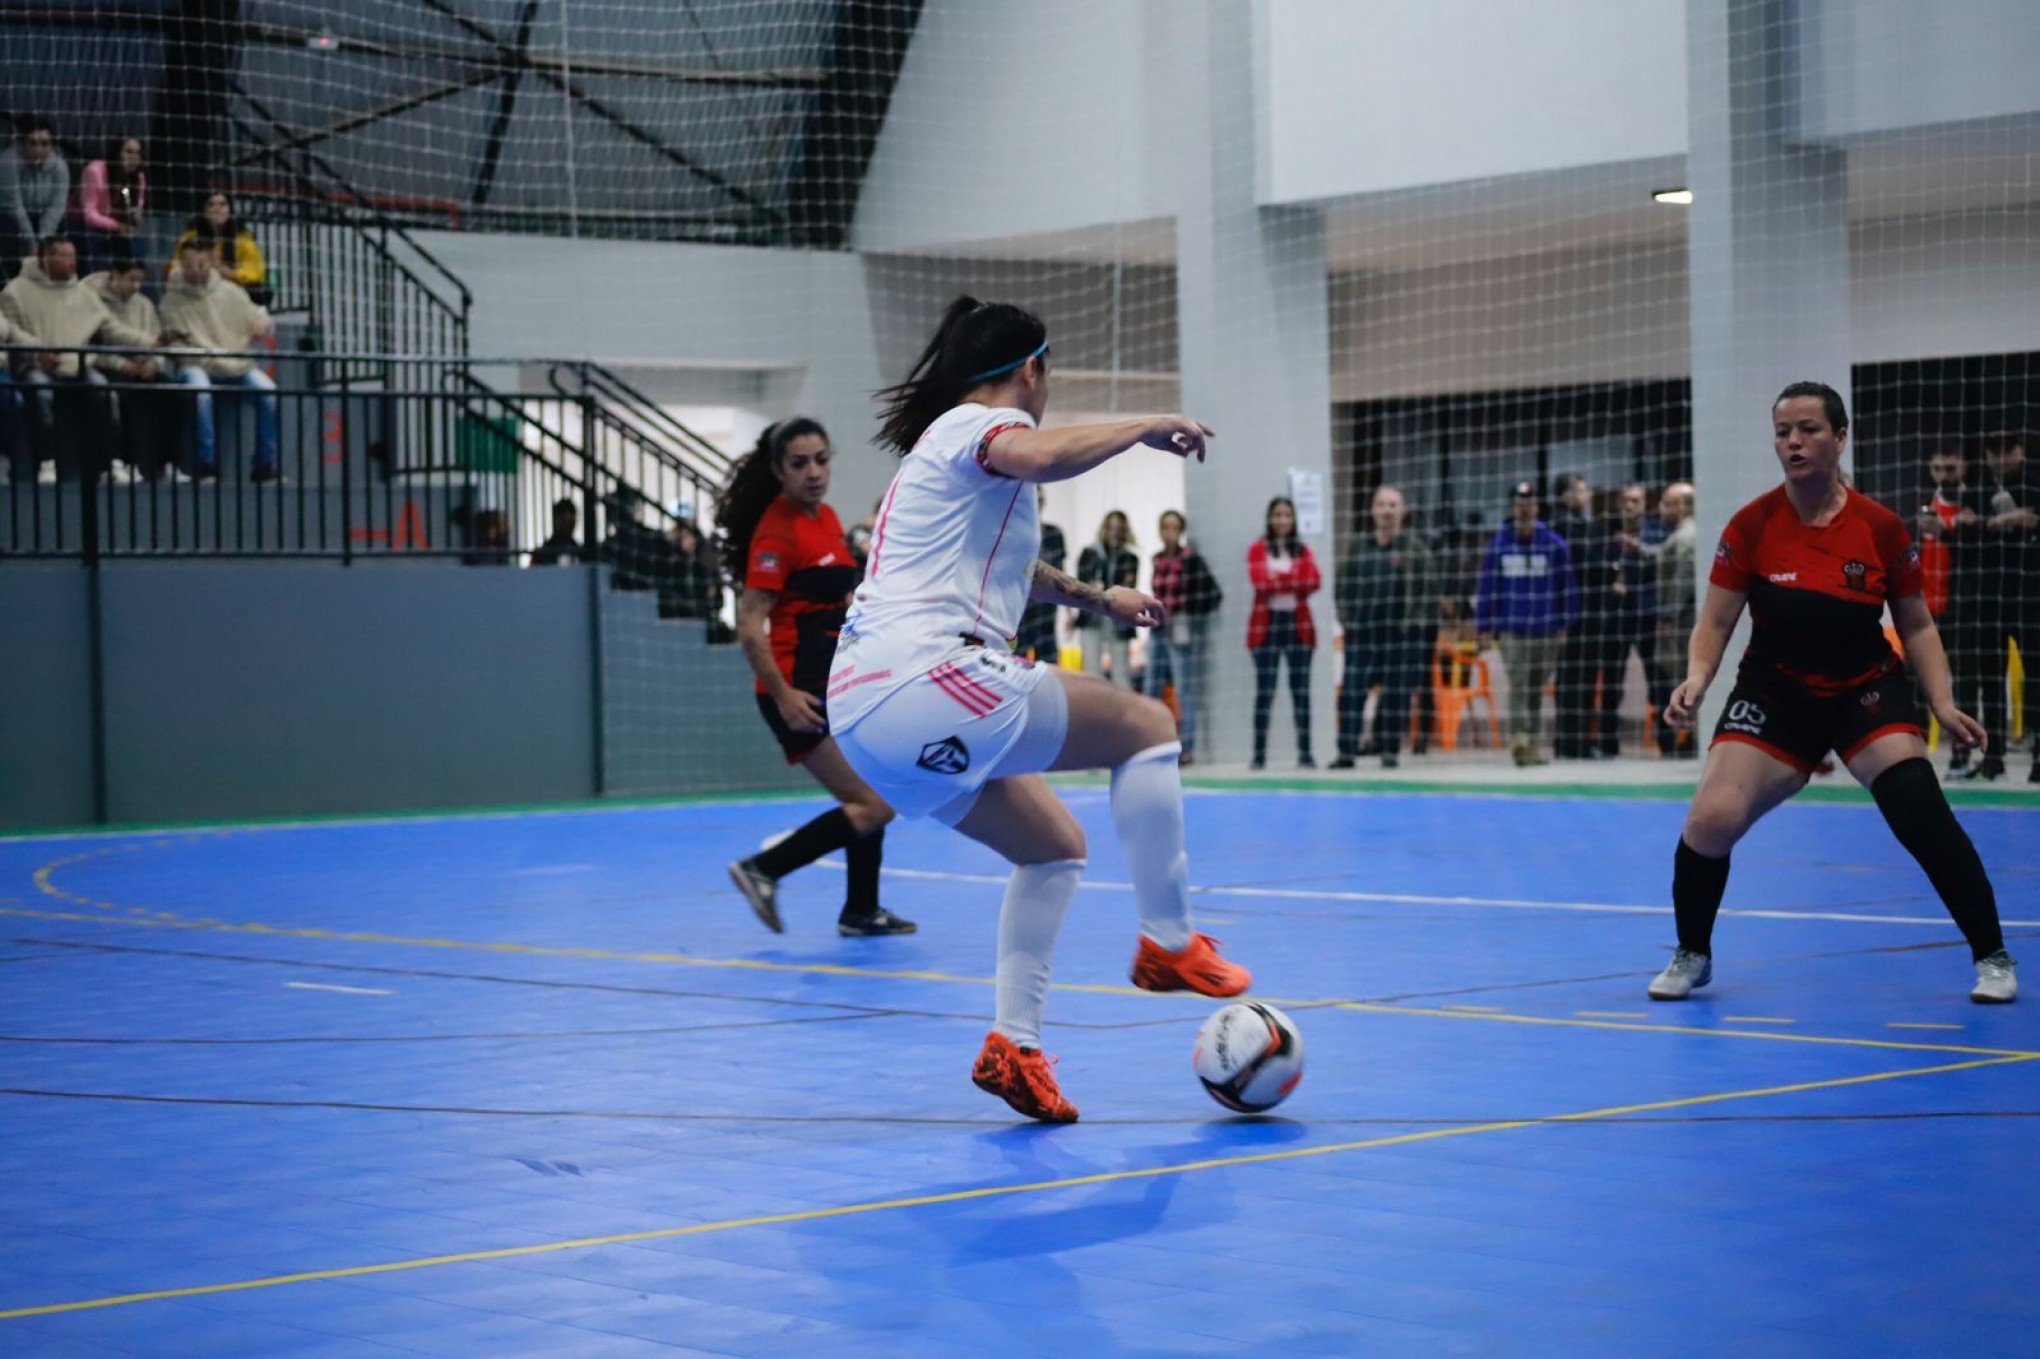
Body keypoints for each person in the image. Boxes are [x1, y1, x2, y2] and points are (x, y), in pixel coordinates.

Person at [827, 296, 1251, 1122]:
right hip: (922, 679)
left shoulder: (953, 466)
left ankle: (1012, 1046)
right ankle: (1170, 944)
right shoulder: (970, 429)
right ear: (1032, 370)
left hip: (870, 720)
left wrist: (1101, 598)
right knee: (1149, 726)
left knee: (1054, 848)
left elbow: (1024, 573)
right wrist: (1141, 425)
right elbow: (1039, 452)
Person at [1650, 381, 2014, 1005]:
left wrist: (1943, 703)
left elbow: (1917, 624)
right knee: (1710, 822)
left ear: (1840, 438)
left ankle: (1993, 956)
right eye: (1783, 431)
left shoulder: (1879, 527)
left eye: (1808, 429)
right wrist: (1698, 678)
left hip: (1863, 689)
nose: (1792, 442)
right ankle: (1693, 952)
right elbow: (1714, 623)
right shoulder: (1751, 525)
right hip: (1775, 693)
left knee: (1920, 811)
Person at [717, 416, 913, 938]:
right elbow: (749, 627)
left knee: (871, 789)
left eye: (821, 460)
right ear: (780, 470)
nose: (813, 472)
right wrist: (782, 697)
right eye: (800, 463)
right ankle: (763, 869)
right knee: (874, 805)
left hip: (832, 685)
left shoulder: (824, 517)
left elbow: (826, 598)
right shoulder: (776, 532)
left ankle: (861, 910)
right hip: (794, 692)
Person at [0, 236, 154, 483]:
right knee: (41, 393)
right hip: (35, 364)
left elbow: (111, 328)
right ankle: (46, 462)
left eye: (73, 256)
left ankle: (112, 462)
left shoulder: (83, 293)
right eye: (64, 256)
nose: (72, 262)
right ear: (45, 258)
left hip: (77, 364)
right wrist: (39, 350)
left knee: (105, 392)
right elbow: (11, 331)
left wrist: (149, 342)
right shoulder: (15, 291)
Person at [1474, 481, 1579, 767]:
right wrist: (1483, 625)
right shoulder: (1499, 545)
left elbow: (1566, 587)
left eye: (1529, 504)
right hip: (1512, 629)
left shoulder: (1554, 545)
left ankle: (1533, 741)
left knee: (1537, 685)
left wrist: (1566, 622)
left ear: (1536, 507)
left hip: (1546, 629)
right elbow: (1488, 587)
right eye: (1519, 505)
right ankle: (1519, 739)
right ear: (1513, 508)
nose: (1524, 509)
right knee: (1518, 683)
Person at [159, 240, 278, 481]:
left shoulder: (231, 291)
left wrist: (263, 324)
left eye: (201, 264)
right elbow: (173, 343)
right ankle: (206, 465)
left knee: (269, 393)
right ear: (181, 263)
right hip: (195, 365)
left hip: (237, 365)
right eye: (189, 265)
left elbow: (260, 318)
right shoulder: (171, 299)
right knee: (200, 392)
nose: (195, 270)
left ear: (211, 261)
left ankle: (264, 466)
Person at [1334, 485, 1434, 770]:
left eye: (1393, 505)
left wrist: (1414, 625)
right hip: (1363, 635)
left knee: (1396, 695)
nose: (1387, 510)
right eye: (1381, 505)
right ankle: (1346, 752)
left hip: (1400, 636)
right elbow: (1342, 586)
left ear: (1402, 512)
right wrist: (1348, 620)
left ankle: (1389, 751)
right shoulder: (1358, 547)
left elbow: (1429, 591)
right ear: (1372, 510)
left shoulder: (1415, 549)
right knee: (1353, 693)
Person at [1957, 429, 2037, 782]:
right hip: (1987, 601)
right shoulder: (1974, 491)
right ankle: (1993, 760)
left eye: (2008, 449)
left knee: (2035, 678)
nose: (2001, 456)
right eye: (1994, 450)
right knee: (1990, 680)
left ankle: (2038, 759)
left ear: (2020, 451)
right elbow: (1964, 531)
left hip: (2030, 597)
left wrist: (1996, 521)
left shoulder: (2034, 484)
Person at [1916, 445, 1981, 776]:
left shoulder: (1974, 510)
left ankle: (1962, 756)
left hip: (1962, 610)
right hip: (1923, 612)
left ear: (1963, 468)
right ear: (1931, 469)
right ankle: (1914, 756)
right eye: (1939, 469)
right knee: (1917, 685)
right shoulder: (1923, 509)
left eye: (1950, 469)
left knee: (1964, 684)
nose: (1944, 475)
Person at [1247, 495, 1321, 769]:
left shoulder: (1303, 550)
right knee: (1264, 692)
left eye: (1286, 515)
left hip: (1297, 627)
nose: (1281, 520)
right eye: (1277, 515)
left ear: (1294, 519)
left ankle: (1305, 753)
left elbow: (1315, 581)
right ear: (1270, 518)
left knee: (1300, 692)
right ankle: (1258, 755)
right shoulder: (1258, 549)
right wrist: (1293, 581)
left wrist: (1279, 579)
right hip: (1266, 627)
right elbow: (1260, 584)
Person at [87, 256, 176, 479]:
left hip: (142, 367)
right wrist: (119, 363)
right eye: (130, 279)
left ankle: (166, 462)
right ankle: (122, 462)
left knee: (174, 394)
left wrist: (153, 363)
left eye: (140, 281)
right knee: (123, 398)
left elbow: (157, 342)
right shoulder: (91, 301)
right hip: (108, 367)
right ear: (114, 275)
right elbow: (89, 347)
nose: (136, 286)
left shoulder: (144, 304)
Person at [1145, 509, 1222, 763]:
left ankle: (1186, 748)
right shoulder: (1156, 559)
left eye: (1173, 527)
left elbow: (1213, 594)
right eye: (1164, 527)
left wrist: (1188, 612)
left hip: (1180, 628)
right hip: (1157, 628)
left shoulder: (1190, 559)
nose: (1168, 532)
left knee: (1183, 688)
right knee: (1151, 687)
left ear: (1180, 531)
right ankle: (1147, 741)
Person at [1550, 472, 1615, 759]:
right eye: (1580, 490)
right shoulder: (1565, 527)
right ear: (1565, 496)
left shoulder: (1581, 526)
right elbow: (1590, 564)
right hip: (1578, 614)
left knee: (1577, 680)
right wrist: (1611, 570)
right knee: (1577, 680)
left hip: (1582, 613)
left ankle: (1571, 742)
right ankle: (1574, 744)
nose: (1585, 495)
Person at [1598, 483, 1663, 758]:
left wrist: (1637, 557)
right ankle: (1607, 744)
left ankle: (1667, 743)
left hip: (1646, 616)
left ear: (1644, 504)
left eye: (1635, 500)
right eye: (1625, 500)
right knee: (1612, 681)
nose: (1629, 505)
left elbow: (1661, 570)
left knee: (1657, 679)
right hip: (1616, 617)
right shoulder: (1607, 537)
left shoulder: (1656, 534)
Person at [1648, 481, 1699, 755]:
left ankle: (1692, 741)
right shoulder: (1681, 537)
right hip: (1683, 621)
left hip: (1682, 625)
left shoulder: (1685, 538)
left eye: (1666, 503)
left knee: (1684, 680)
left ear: (1682, 506)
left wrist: (1666, 616)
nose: (1660, 508)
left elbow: (1682, 580)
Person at [1074, 509, 1140, 683]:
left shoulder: (1130, 557)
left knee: (1121, 672)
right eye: (1111, 528)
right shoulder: (1089, 553)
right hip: (1091, 617)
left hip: (1118, 618)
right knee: (1092, 673)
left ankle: (1121, 708)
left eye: (1119, 529)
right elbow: (1081, 584)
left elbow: (1128, 588)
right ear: (1104, 528)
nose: (1114, 533)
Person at [168, 191, 267, 303]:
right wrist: (201, 269)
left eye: (222, 204)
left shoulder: (243, 238)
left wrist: (232, 274)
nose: (217, 209)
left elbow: (256, 271)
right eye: (211, 204)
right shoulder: (190, 237)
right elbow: (175, 268)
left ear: (230, 210)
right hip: (198, 288)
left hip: (233, 289)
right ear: (204, 211)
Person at [0, 117, 68, 277]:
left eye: (45, 144)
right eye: (33, 143)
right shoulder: (8, 162)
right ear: (22, 143)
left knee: (64, 230)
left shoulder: (60, 167)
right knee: (8, 232)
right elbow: (14, 206)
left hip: (41, 215)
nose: (39, 149)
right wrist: (31, 243)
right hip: (8, 214)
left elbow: (56, 207)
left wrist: (44, 243)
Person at [76, 137, 146, 274]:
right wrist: (117, 226)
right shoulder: (95, 171)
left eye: (138, 153)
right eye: (129, 152)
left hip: (116, 228)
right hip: (84, 224)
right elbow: (89, 214)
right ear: (117, 152)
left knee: (137, 248)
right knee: (92, 243)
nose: (134, 157)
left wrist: (133, 221)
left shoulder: (139, 178)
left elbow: (137, 208)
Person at [1014, 488, 1065, 664]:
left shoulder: (1054, 534)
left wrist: (1069, 609)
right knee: (1018, 657)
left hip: (1047, 608)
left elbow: (1061, 573)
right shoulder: (1016, 533)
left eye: (1040, 499)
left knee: (1048, 658)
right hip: (1021, 609)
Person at [530, 498, 584, 566]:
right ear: (555, 520)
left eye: (570, 523)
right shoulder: (540, 555)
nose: (567, 527)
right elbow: (532, 574)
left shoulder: (582, 553)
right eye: (564, 522)